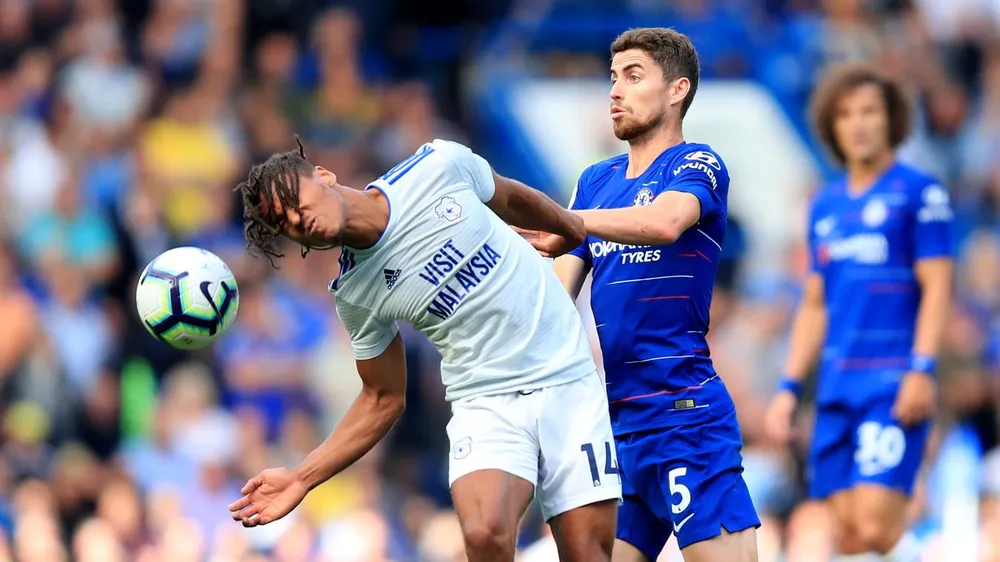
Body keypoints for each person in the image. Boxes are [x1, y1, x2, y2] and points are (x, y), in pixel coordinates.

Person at [226, 137, 621, 561]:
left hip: (568, 378)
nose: (294, 218)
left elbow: (506, 195)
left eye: (291, 199)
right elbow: (383, 397)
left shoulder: (436, 166)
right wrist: (302, 478)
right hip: (485, 401)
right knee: (485, 534)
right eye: (281, 221)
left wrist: (569, 227)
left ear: (323, 175)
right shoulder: (355, 292)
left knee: (587, 553)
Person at [520, 28, 759, 562]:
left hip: (685, 416)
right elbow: (558, 299)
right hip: (618, 427)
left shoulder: (697, 162)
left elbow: (667, 221)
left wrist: (571, 222)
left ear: (677, 90)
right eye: (612, 78)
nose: (615, 92)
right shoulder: (594, 181)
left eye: (633, 77)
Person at [764, 62, 953, 562]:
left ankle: (936, 541)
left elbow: (938, 287)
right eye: (846, 113)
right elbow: (813, 304)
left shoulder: (919, 192)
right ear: (832, 125)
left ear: (891, 118)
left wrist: (922, 369)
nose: (859, 123)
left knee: (875, 524)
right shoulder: (825, 206)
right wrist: (787, 388)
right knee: (846, 534)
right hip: (835, 386)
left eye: (869, 111)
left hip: (892, 381)